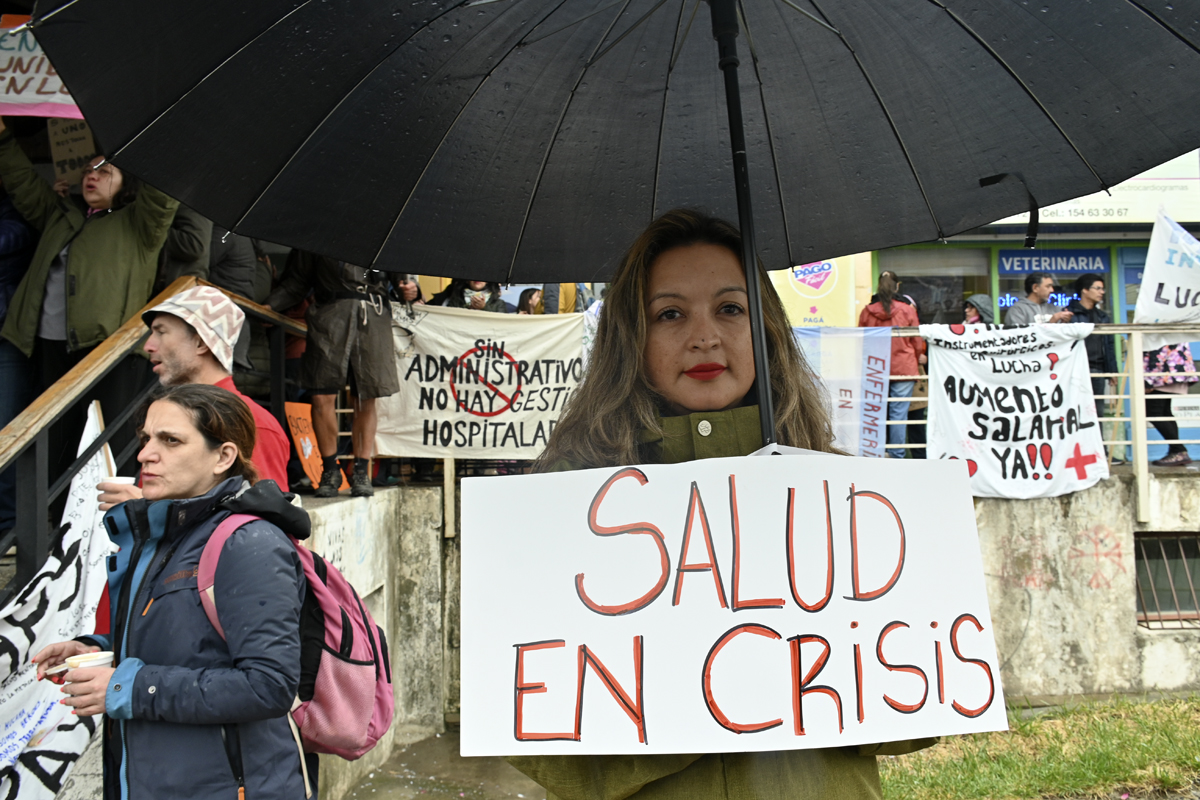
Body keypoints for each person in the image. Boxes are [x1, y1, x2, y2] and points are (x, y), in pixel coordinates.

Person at [512, 209, 934, 800]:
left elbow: (919, 709)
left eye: (730, 308)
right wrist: (701, 701)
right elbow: (534, 730)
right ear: (631, 336)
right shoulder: (568, 502)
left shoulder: (845, 496)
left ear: (765, 327)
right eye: (670, 314)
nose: (705, 336)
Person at [33, 384, 312, 800]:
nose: (145, 453)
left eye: (171, 440)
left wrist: (130, 687)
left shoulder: (248, 543)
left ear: (223, 457)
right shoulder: (164, 533)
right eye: (146, 438)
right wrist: (96, 648)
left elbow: (267, 685)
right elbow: (185, 640)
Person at [0, 118, 179, 485]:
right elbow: (21, 182)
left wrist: (165, 136)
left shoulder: (140, 225)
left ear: (127, 182)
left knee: (106, 446)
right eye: (88, 169)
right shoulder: (61, 214)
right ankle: (58, 532)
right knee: (57, 443)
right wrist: (3, 139)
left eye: (105, 169)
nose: (92, 175)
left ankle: (109, 532)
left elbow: (164, 195)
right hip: (50, 346)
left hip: (106, 352)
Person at [97, 285, 290, 510]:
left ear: (201, 342)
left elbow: (268, 526)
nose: (148, 346)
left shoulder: (254, 423)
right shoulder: (167, 412)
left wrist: (144, 508)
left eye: (161, 332)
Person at [266, 251, 399, 497]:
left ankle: (360, 471)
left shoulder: (384, 234)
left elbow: (402, 279)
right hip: (329, 317)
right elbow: (297, 282)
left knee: (365, 397)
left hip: (373, 316)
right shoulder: (319, 234)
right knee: (321, 396)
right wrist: (271, 304)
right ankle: (329, 470)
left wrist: (411, 288)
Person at [858, 271, 925, 458]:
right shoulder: (907, 310)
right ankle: (897, 456)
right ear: (897, 286)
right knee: (898, 416)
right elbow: (916, 343)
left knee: (875, 414)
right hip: (904, 369)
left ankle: (874, 453)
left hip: (875, 368)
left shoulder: (867, 312)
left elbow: (861, 342)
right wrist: (915, 357)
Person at [0, 186, 35, 536]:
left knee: (7, 429)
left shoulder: (11, 208)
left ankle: (8, 526)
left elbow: (15, 235)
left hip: (6, 336)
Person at [1066, 273, 1118, 419]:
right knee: (1074, 411)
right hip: (1075, 370)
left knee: (1097, 412)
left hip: (1098, 369)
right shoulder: (1069, 314)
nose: (1102, 292)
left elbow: (1109, 344)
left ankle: (1097, 442)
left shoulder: (1102, 316)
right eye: (1098, 288)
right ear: (1085, 290)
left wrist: (1112, 370)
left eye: (1103, 289)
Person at [1144, 343, 1198, 467]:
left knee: (1154, 413)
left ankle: (1178, 450)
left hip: (1163, 374)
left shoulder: (1155, 327)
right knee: (1164, 412)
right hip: (1174, 370)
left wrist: (1149, 381)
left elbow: (1156, 353)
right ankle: (1176, 451)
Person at [1004, 271, 1073, 326]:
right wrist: (1051, 323)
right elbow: (1018, 337)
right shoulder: (1018, 310)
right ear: (1035, 288)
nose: (1052, 290)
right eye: (1048, 286)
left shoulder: (1055, 308)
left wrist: (1064, 323)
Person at [429, 279, 507, 312]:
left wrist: (484, 308)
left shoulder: (499, 303)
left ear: (487, 281)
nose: (478, 278)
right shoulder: (455, 301)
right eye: (473, 275)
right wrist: (468, 309)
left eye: (483, 275)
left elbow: (503, 324)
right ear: (467, 280)